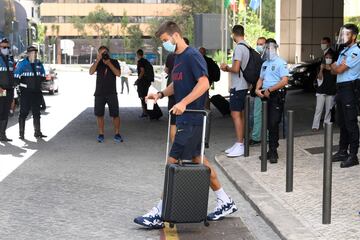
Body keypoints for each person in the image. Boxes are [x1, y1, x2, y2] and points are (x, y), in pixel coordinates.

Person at [133, 21, 237, 229]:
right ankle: (225, 201)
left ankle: (160, 211)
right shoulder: (178, 58)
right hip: (187, 119)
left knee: (172, 161)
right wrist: (161, 94)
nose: (164, 45)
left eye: (165, 41)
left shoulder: (192, 56)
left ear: (175, 36)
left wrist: (183, 102)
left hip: (192, 118)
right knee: (199, 158)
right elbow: (176, 83)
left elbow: (204, 83)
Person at [330, 24, 360, 168]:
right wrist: (336, 67)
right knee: (341, 122)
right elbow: (332, 69)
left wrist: (337, 67)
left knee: (351, 123)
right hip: (341, 89)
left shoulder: (355, 51)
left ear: (353, 36)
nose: (343, 37)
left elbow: (340, 69)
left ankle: (353, 155)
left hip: (349, 89)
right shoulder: (344, 51)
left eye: (346, 34)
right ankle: (343, 151)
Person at [255, 39, 289, 163]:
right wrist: (257, 89)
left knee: (274, 123)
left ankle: (274, 151)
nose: (268, 51)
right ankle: (270, 150)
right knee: (268, 124)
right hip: (265, 94)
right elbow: (261, 78)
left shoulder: (281, 63)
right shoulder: (265, 64)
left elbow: (284, 81)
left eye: (270, 48)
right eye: (266, 48)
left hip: (275, 95)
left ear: (275, 48)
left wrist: (270, 89)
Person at [220, 25, 250, 157]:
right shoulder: (247, 46)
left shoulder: (239, 48)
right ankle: (240, 142)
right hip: (244, 86)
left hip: (238, 86)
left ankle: (239, 143)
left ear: (233, 34)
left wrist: (226, 68)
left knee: (235, 114)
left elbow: (236, 69)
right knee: (241, 115)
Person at [89, 46, 123, 143]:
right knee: (99, 114)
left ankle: (117, 133)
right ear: (98, 53)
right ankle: (101, 134)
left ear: (108, 53)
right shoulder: (98, 63)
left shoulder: (114, 62)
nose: (103, 55)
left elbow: (118, 74)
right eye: (101, 53)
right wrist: (97, 60)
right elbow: (91, 72)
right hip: (99, 93)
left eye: (105, 53)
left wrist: (109, 63)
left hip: (112, 93)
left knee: (115, 114)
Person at [14, 46, 47, 140]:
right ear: (28, 53)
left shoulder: (39, 63)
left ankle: (37, 132)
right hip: (25, 93)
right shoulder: (22, 64)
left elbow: (43, 76)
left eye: (35, 53)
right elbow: (16, 78)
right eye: (32, 52)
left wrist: (40, 79)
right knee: (23, 113)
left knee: (37, 113)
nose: (34, 54)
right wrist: (21, 85)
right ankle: (21, 134)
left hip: (36, 92)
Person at [311, 38, 337, 131]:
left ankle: (327, 124)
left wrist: (330, 68)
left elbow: (336, 74)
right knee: (319, 109)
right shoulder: (321, 66)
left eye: (330, 58)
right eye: (326, 58)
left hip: (331, 89)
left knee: (328, 109)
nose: (328, 59)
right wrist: (322, 69)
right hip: (321, 89)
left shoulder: (335, 67)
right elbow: (319, 77)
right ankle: (315, 125)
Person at [251, 37, 267, 145]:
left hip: (266, 90)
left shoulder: (268, 59)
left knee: (263, 114)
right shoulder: (260, 57)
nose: (259, 46)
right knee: (258, 114)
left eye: (261, 44)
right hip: (259, 90)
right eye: (258, 44)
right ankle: (259, 136)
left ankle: (261, 137)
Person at [0, 38, 15, 141]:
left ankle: (2, 135)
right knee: (0, 111)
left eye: (7, 47)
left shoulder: (10, 60)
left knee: (6, 112)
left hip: (9, 90)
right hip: (1, 89)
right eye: (4, 47)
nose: (6, 49)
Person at [135, 49, 154, 118]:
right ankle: (147, 111)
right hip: (147, 81)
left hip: (143, 82)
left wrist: (138, 80)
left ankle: (145, 112)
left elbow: (142, 71)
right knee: (145, 96)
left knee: (142, 97)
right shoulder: (146, 61)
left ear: (137, 54)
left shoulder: (140, 61)